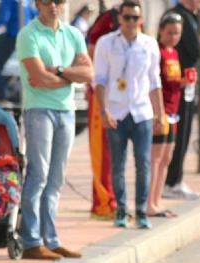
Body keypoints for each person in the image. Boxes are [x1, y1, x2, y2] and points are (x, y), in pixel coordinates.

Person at [17, 0, 93, 260]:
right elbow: (37, 78)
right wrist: (70, 77)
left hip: (67, 111)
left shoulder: (72, 34)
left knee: (56, 178)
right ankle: (31, 240)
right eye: (47, 1)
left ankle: (51, 238)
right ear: (37, 4)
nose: (54, 6)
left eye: (59, 1)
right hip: (38, 109)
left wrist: (59, 71)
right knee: (38, 174)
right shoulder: (29, 34)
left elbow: (89, 73)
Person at [94, 1, 166, 229]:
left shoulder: (149, 44)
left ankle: (141, 210)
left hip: (141, 111)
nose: (131, 22)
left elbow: (155, 81)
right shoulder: (106, 43)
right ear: (120, 19)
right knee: (117, 164)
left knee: (143, 163)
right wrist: (103, 111)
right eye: (127, 17)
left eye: (136, 18)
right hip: (116, 110)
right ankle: (122, 210)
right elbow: (100, 81)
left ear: (141, 19)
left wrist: (160, 113)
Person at [163, 0, 200, 200]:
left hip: (186, 84)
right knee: (178, 136)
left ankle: (175, 179)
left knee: (184, 134)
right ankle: (171, 181)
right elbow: (195, 50)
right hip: (177, 86)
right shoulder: (181, 16)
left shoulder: (191, 16)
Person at [86, 7, 121, 220]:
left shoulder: (135, 14)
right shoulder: (108, 19)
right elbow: (91, 51)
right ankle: (102, 203)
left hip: (122, 97)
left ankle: (116, 200)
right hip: (101, 94)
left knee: (118, 151)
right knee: (102, 152)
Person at [147, 12, 183, 218]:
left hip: (174, 111)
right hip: (160, 111)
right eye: (169, 32)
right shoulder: (157, 51)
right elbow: (155, 84)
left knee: (166, 158)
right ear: (161, 30)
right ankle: (149, 203)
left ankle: (157, 201)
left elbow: (172, 81)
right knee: (155, 158)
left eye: (177, 33)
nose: (173, 37)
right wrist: (157, 113)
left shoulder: (174, 53)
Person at [0, 0, 37, 103]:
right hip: (27, 37)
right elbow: (35, 15)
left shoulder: (8, 1)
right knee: (29, 69)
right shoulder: (26, 2)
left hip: (12, 36)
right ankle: (26, 96)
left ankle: (3, 98)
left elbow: (4, 18)